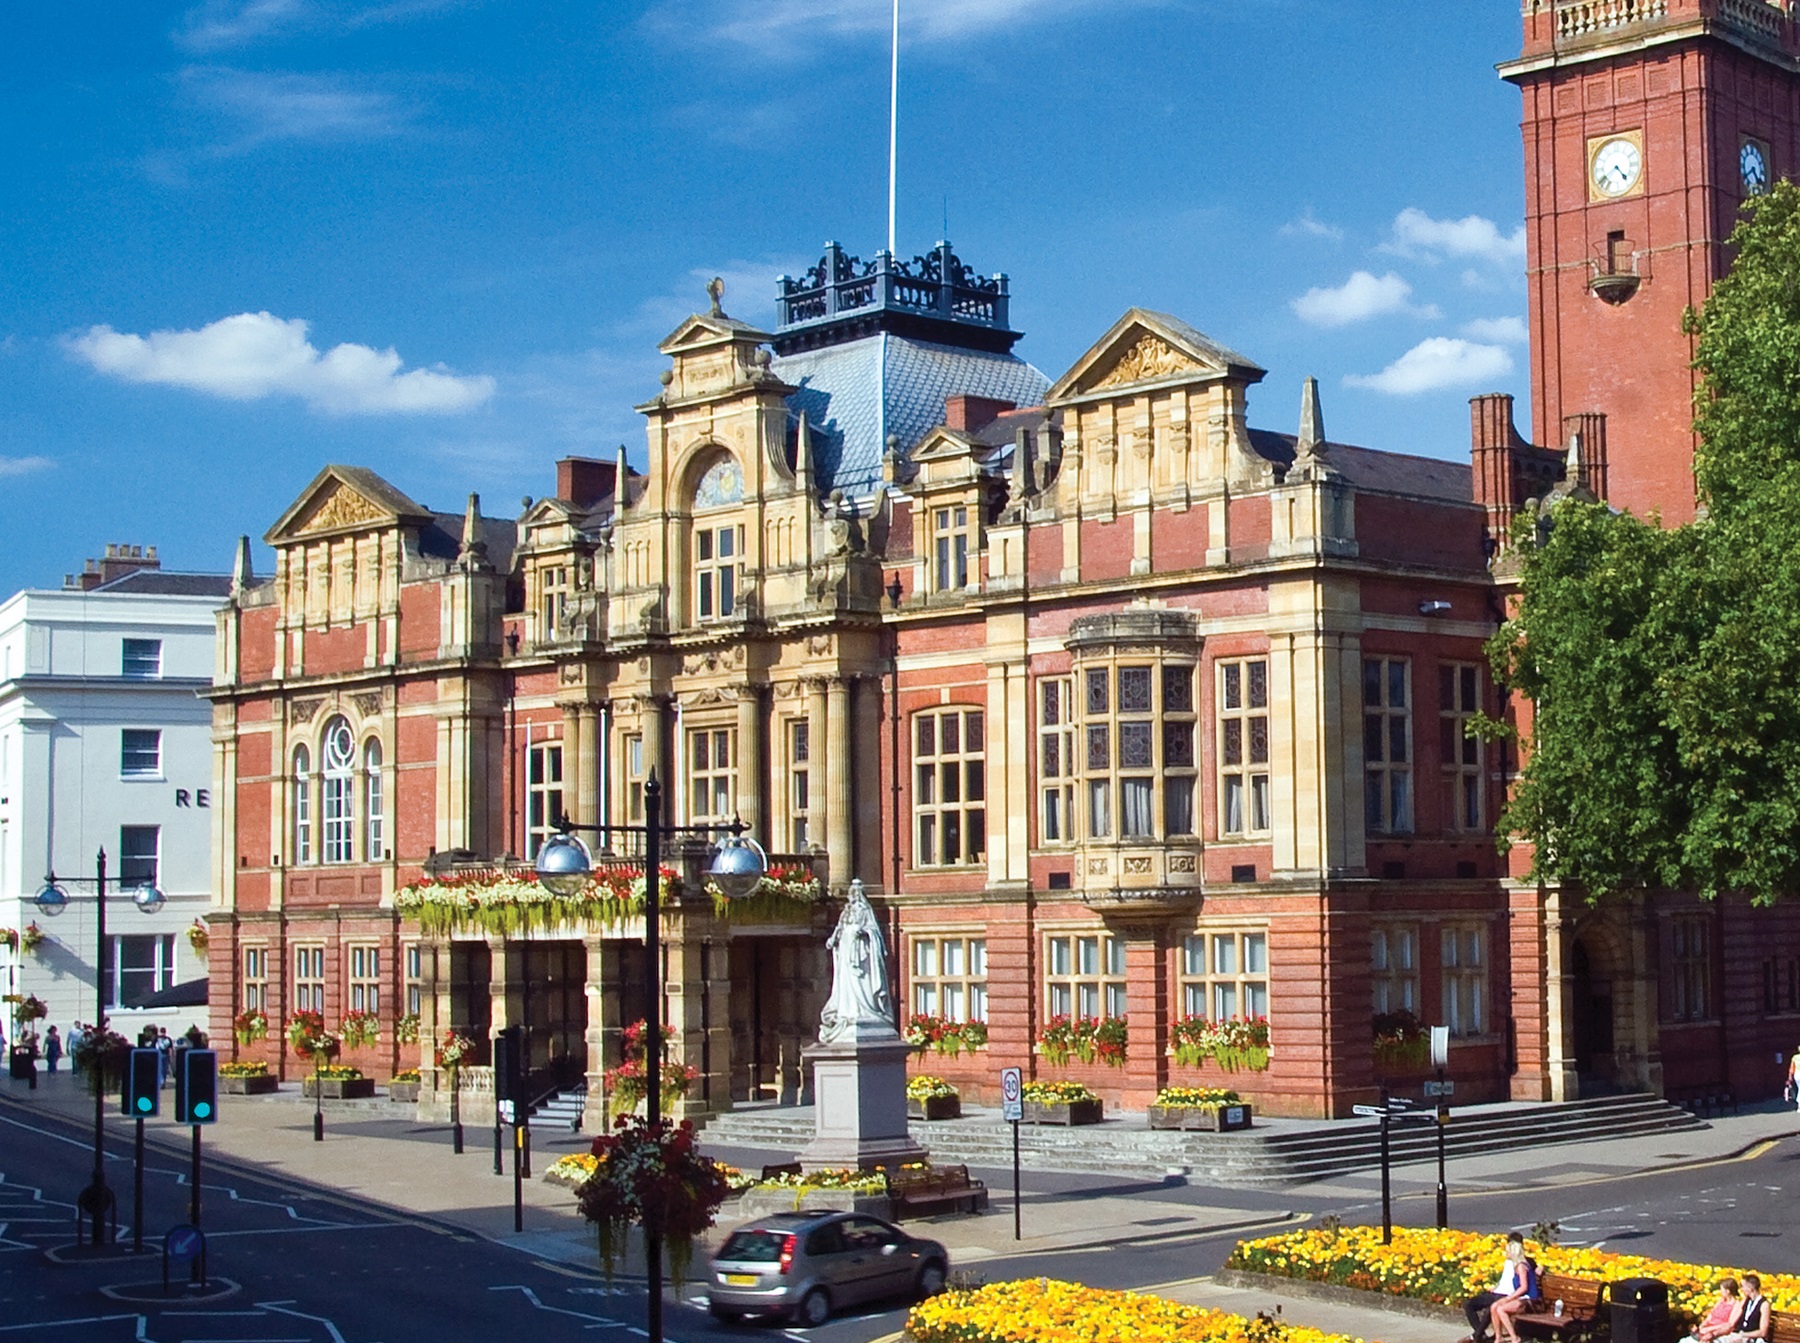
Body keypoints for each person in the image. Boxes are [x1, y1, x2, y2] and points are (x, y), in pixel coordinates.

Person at [1463, 1233, 1526, 1343]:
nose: (1507, 1251)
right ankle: (1480, 1335)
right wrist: (1496, 1286)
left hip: (1507, 1295)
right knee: (1469, 1304)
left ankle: (1476, 1337)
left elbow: (1530, 1275)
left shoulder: (1524, 1263)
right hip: (1497, 1292)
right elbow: (1504, 1279)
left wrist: (1540, 1268)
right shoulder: (1508, 1260)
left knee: (1491, 1309)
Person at [1490, 1248, 1541, 1343]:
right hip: (1520, 1297)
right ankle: (1498, 1337)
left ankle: (1514, 1337)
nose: (1506, 1253)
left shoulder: (1521, 1267)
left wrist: (1508, 1298)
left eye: (1508, 1251)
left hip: (1529, 1299)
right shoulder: (1515, 1266)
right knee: (1494, 1306)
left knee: (1501, 1309)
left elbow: (1524, 1288)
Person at [1686, 1278, 1744, 1343]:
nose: (1720, 1291)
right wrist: (1701, 1326)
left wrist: (1710, 1329)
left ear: (1728, 1291)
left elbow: (1729, 1324)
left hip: (1719, 1331)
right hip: (1707, 1329)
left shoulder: (1736, 1305)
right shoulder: (1721, 1301)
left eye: (1721, 1289)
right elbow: (1710, 1316)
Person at [1722, 1276, 1771, 1343]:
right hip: (1739, 1335)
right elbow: (1733, 1320)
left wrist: (1742, 1335)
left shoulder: (1764, 1305)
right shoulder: (1746, 1300)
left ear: (1750, 1288)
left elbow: (1762, 1332)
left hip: (1751, 1338)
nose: (1741, 1289)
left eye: (1742, 1286)